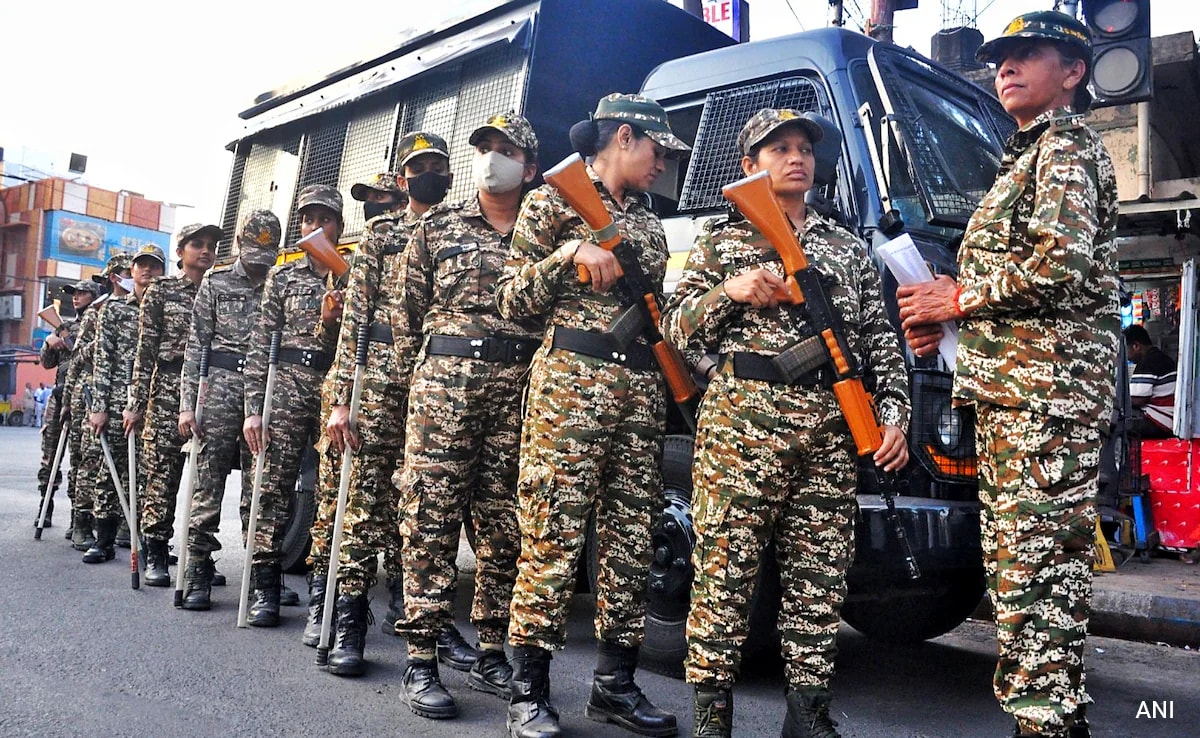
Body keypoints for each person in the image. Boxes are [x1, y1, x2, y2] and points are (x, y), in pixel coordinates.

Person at [896, 11, 1119, 738]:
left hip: (1044, 402)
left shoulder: (1065, 147)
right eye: (1001, 57)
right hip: (1015, 398)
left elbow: (1061, 262)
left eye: (1029, 54)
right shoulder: (1023, 158)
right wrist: (949, 316)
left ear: (1074, 72)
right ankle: (1049, 724)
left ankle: (1048, 727)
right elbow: (1025, 281)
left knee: (1034, 586)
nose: (1007, 67)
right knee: (1026, 587)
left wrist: (958, 296)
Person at [661, 109, 909, 738]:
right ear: (750, 166)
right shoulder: (721, 243)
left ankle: (808, 720)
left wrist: (895, 419)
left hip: (829, 431)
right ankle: (712, 723)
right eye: (779, 149)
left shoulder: (847, 248)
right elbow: (672, 327)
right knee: (724, 579)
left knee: (819, 582)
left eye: (804, 149)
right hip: (742, 428)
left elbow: (880, 339)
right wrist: (730, 292)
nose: (796, 157)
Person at [496, 93, 687, 738]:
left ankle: (614, 686)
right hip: (571, 396)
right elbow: (512, 300)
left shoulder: (652, 224)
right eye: (659, 151)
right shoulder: (552, 201)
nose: (664, 164)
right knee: (553, 536)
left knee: (632, 544)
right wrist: (567, 257)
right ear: (625, 137)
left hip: (639, 395)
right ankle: (529, 689)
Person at [389, 112, 541, 717]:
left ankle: (491, 649)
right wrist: (409, 395)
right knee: (430, 519)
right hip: (443, 392)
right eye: (484, 148)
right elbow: (405, 318)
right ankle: (421, 660)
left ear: (529, 167)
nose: (491, 159)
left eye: (506, 151)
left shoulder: (545, 233)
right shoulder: (438, 229)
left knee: (505, 526)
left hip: (518, 392)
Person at [312, 135, 477, 674]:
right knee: (362, 505)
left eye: (436, 166)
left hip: (442, 384)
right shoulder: (382, 236)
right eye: (417, 167)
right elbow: (355, 318)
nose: (427, 174)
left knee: (431, 510)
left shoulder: (465, 233)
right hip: (378, 381)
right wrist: (341, 400)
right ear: (403, 179)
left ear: (450, 176)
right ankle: (348, 624)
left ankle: (424, 619)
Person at [210, 185, 341, 621]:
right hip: (283, 387)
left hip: (331, 387)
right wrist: (253, 409)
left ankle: (326, 587)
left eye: (324, 218)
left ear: (339, 226)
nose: (314, 226)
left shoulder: (353, 276)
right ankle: (265, 582)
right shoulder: (282, 279)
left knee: (332, 489)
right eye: (307, 218)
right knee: (272, 486)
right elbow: (260, 344)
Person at [178, 211, 282, 607]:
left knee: (263, 486)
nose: (260, 261)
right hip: (219, 387)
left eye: (267, 252)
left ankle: (262, 576)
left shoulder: (279, 282)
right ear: (240, 244)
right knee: (209, 480)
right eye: (254, 251)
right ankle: (198, 569)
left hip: (266, 391)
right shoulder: (216, 282)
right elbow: (195, 346)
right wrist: (188, 404)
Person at [124, 224, 218, 586]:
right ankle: (156, 551)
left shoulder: (218, 290)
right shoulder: (161, 291)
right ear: (180, 251)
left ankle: (198, 557)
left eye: (211, 246)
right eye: (197, 244)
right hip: (165, 388)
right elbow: (144, 351)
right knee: (162, 477)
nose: (205, 251)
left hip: (206, 392)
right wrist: (135, 403)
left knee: (205, 481)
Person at [86, 245, 165, 564]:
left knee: (153, 478)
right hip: (119, 401)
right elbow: (103, 361)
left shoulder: (167, 309)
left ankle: (150, 541)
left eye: (154, 267)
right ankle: (102, 539)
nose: (147, 271)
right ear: (131, 271)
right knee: (111, 470)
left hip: (157, 403)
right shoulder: (115, 310)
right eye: (141, 266)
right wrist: (99, 406)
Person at [53, 278, 106, 542]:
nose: (76, 297)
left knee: (95, 459)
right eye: (74, 293)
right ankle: (76, 517)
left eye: (82, 293)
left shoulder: (104, 313)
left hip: (97, 392)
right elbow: (65, 361)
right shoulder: (69, 324)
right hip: (75, 393)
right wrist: (52, 343)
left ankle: (96, 518)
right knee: (80, 459)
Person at [1124, 324, 1176, 439]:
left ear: (1136, 346)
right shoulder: (1163, 358)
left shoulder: (1147, 362)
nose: (1128, 358)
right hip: (1170, 419)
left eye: (1126, 351)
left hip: (1159, 421)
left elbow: (1137, 400)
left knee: (1117, 421)